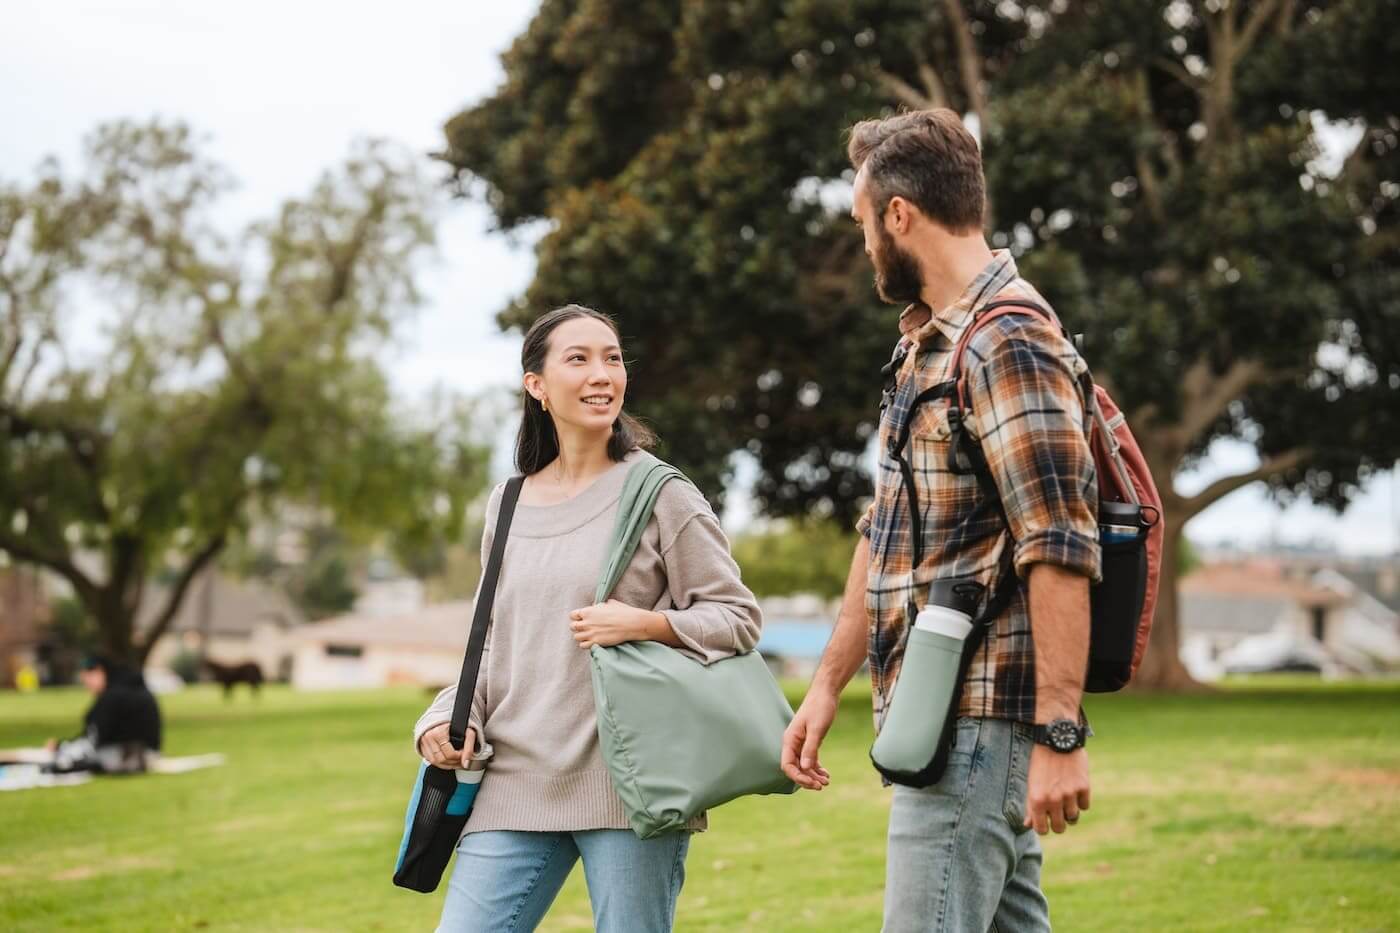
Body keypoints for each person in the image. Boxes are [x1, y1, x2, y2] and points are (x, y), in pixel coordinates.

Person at [780, 109, 1101, 932]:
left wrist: (1060, 732)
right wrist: (826, 686)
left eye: (861, 223)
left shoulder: (1009, 340)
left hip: (977, 722)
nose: (863, 247)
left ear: (899, 215)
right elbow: (882, 531)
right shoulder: (931, 345)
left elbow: (1057, 542)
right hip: (939, 720)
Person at [413, 304, 762, 933]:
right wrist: (443, 717)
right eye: (579, 359)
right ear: (537, 385)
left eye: (613, 358)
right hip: (514, 783)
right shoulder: (509, 501)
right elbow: (492, 644)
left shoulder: (661, 493)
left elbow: (736, 617)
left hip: (629, 787)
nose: (602, 373)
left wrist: (645, 623)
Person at [45, 655, 162, 774]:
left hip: (129, 758)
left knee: (63, 762)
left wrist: (61, 747)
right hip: (149, 755)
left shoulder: (112, 697)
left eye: (88, 677)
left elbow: (93, 738)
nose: (87, 684)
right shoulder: (133, 689)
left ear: (101, 671)